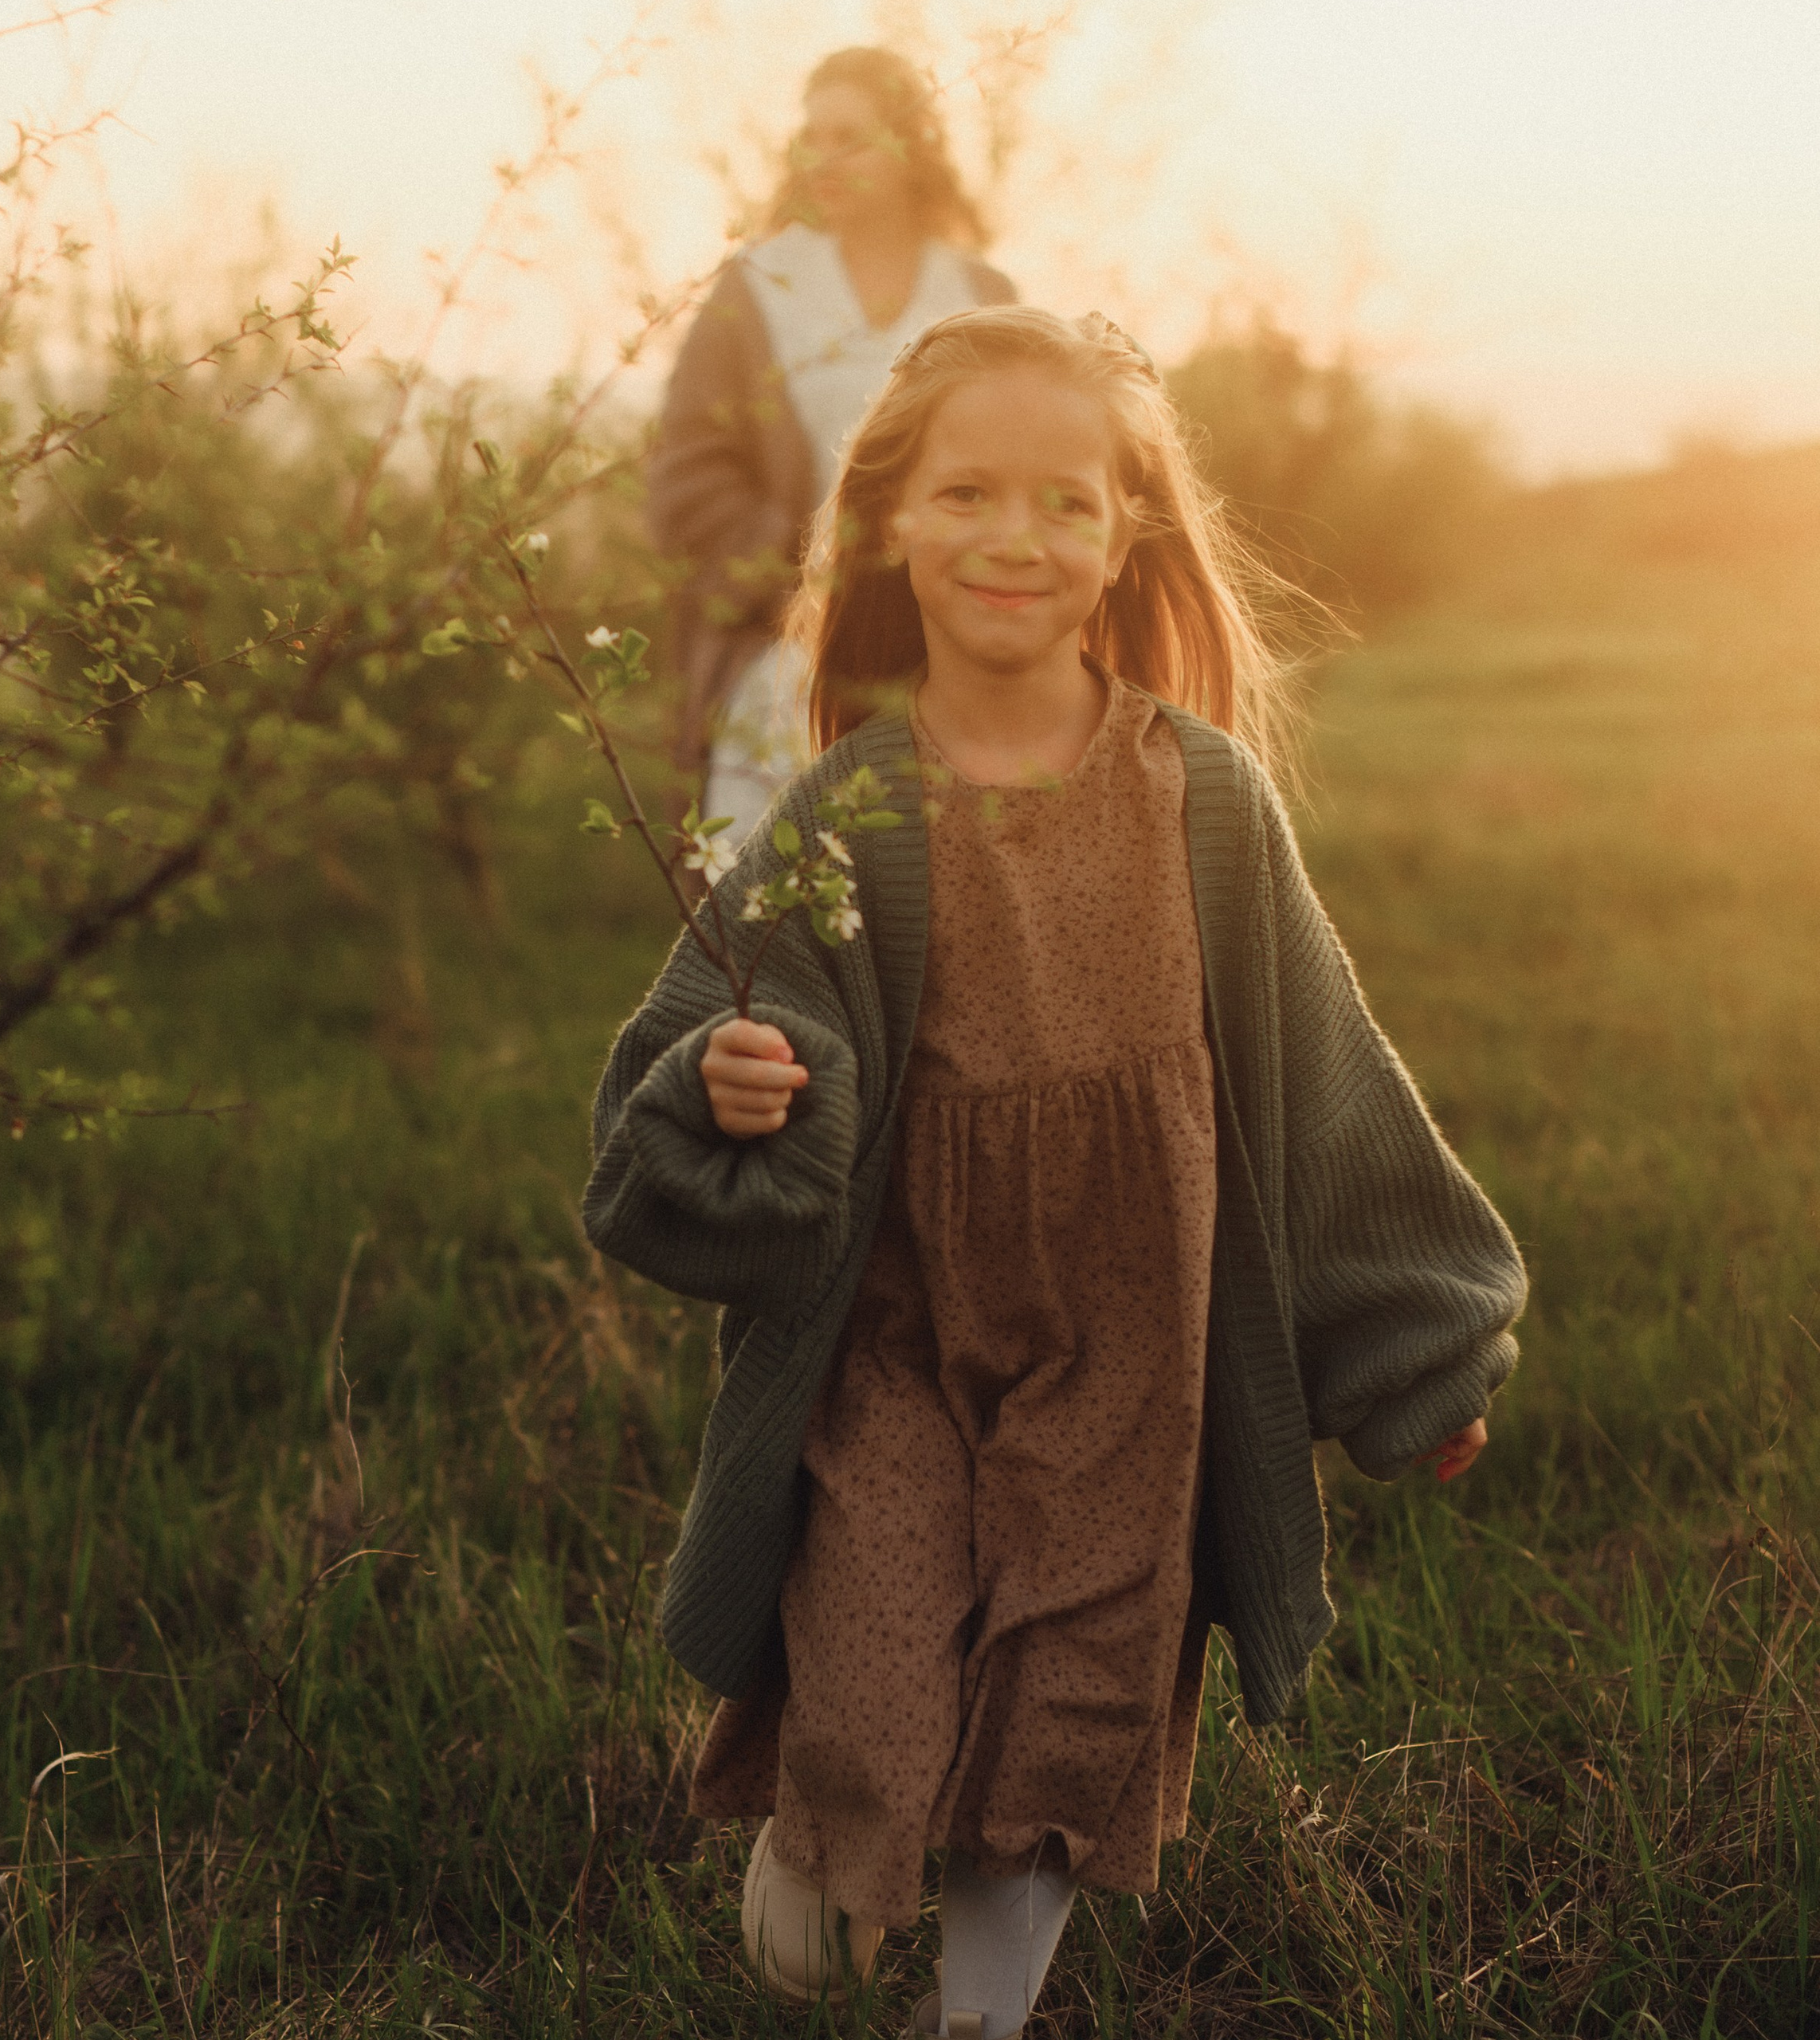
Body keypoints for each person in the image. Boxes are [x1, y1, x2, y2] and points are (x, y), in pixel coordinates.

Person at [586, 307, 1526, 2039]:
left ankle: (979, 2019)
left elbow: (1325, 1090)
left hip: (1132, 1342)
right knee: (868, 1705)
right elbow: (694, 1050)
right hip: (897, 1335)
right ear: (889, 525)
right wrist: (731, 1087)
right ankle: (819, 1840)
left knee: (1064, 1711)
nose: (1012, 538)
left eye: (1060, 503)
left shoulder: (1204, 803)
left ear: (1121, 539)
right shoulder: (849, 813)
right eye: (964, 494)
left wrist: (1413, 1355)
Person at [648, 47, 1015, 840]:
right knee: (768, 890)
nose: (822, 157)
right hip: (787, 650)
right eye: (809, 137)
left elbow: (1029, 460)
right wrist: (793, 564)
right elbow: (686, 468)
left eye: (848, 135)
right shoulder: (757, 286)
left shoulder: (981, 296)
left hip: (942, 648)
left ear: (911, 145)